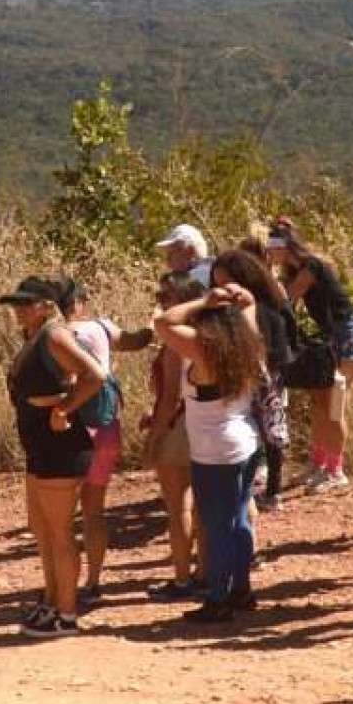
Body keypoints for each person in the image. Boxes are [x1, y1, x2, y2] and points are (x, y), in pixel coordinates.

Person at [154, 280, 269, 624]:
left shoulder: (205, 349)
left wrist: (204, 300)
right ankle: (241, 590)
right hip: (245, 442)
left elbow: (164, 323)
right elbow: (250, 303)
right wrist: (236, 298)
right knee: (237, 520)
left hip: (215, 450)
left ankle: (218, 597)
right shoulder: (248, 342)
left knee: (217, 525)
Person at [0, 276, 108, 637]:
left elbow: (95, 375)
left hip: (60, 446)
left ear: (46, 305)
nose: (18, 310)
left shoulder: (54, 335)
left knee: (59, 532)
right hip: (40, 445)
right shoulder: (36, 337)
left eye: (25, 303)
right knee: (44, 530)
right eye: (16, 304)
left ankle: (66, 613)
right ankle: (51, 601)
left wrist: (65, 408)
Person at [267, 217, 353, 495]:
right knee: (320, 402)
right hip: (332, 339)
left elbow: (287, 300)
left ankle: (335, 470)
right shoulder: (297, 269)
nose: (271, 254)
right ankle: (319, 462)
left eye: (273, 248)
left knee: (335, 402)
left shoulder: (310, 266)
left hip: (348, 335)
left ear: (286, 247)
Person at [137, 273, 209, 601]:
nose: (160, 302)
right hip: (206, 423)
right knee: (204, 507)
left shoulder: (175, 344)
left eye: (166, 298)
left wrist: (153, 440)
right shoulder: (209, 337)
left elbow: (168, 401)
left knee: (177, 506)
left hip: (178, 426)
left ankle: (182, 578)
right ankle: (206, 572)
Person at [56, 279, 128, 605]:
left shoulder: (55, 336)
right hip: (105, 426)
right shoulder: (101, 327)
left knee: (61, 515)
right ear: (80, 301)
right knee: (94, 511)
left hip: (69, 430)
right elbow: (136, 340)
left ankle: (61, 583)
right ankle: (93, 582)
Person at [212, 248, 295, 513]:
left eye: (227, 283)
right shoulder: (226, 313)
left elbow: (279, 351)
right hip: (243, 381)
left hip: (267, 380)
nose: (221, 290)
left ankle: (273, 490)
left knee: (272, 434)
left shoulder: (266, 311)